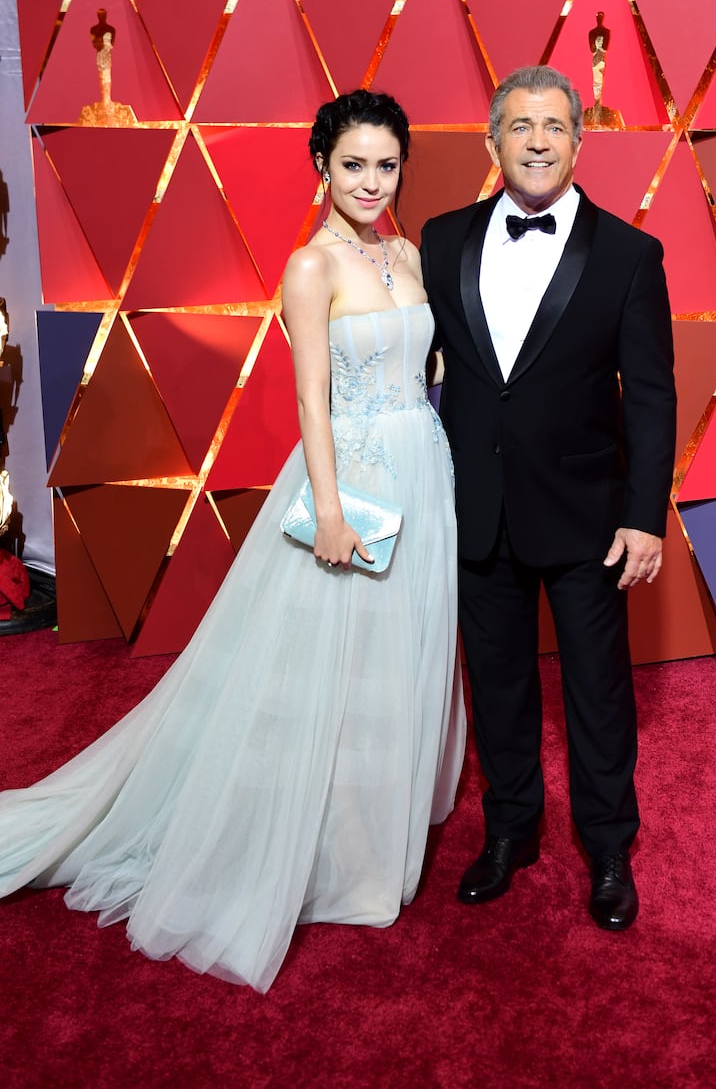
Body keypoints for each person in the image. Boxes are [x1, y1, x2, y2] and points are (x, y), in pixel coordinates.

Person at [0, 90, 465, 991]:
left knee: (393, 658)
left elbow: (428, 363)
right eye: (353, 164)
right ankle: (322, 844)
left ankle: (374, 834)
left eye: (386, 164)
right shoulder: (310, 267)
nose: (371, 181)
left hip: (423, 468)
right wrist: (329, 510)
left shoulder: (409, 253)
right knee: (327, 661)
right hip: (355, 479)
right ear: (322, 167)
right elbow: (310, 399)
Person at [420, 65, 676, 930]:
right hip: (477, 507)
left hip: (587, 519)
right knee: (496, 684)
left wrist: (644, 514)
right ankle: (510, 833)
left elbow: (650, 393)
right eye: (520, 125)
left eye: (554, 126)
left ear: (578, 140)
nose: (536, 140)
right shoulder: (440, 237)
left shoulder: (632, 255)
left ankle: (607, 849)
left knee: (598, 693)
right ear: (493, 141)